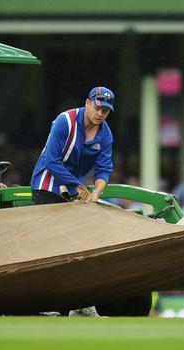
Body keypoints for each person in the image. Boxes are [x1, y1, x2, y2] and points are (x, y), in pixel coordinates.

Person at [30, 86, 114, 316]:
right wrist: (77, 187)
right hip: (46, 186)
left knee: (83, 244)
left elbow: (104, 168)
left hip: (75, 190)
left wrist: (97, 191)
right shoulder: (64, 121)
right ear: (87, 102)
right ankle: (44, 303)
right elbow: (52, 161)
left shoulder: (105, 133)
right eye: (98, 107)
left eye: (106, 111)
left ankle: (81, 303)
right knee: (49, 246)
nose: (100, 113)